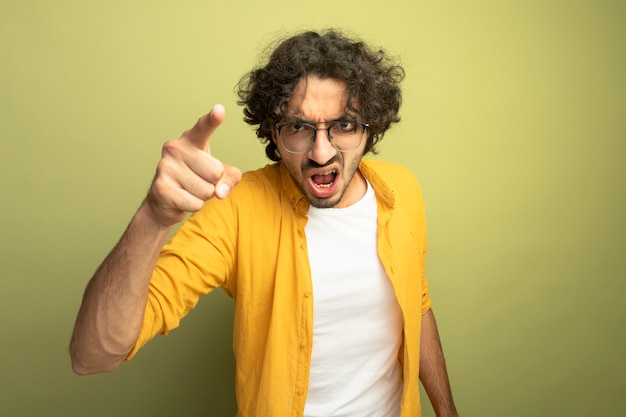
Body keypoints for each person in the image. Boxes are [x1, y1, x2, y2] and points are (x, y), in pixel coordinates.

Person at [70, 29, 459, 417]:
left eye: (344, 125)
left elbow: (417, 305)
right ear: (273, 130)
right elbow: (93, 355)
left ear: (369, 126)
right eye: (298, 127)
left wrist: (447, 410)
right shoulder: (237, 208)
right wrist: (153, 217)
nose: (322, 153)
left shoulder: (402, 190)